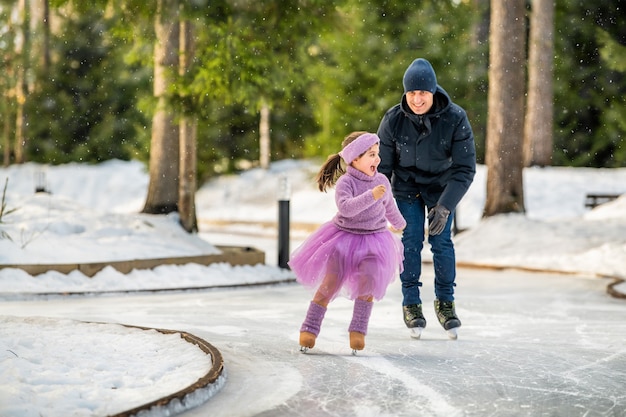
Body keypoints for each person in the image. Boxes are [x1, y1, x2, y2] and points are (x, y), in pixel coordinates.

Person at [377, 58, 476, 339]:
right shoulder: (393, 120)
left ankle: (445, 303)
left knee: (441, 241)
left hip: (441, 188)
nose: (417, 99)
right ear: (405, 93)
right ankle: (411, 303)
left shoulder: (455, 118)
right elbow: (382, 169)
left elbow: (465, 168)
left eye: (423, 93)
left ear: (433, 92)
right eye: (412, 93)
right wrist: (380, 203)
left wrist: (445, 207)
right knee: (410, 241)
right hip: (406, 187)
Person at [289, 131, 406, 354]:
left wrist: (400, 223)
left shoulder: (381, 181)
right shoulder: (346, 182)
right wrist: (371, 195)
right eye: (371, 155)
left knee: (368, 284)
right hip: (344, 239)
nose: (377, 160)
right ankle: (310, 328)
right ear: (355, 159)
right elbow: (346, 208)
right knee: (330, 284)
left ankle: (358, 332)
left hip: (375, 241)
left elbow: (389, 206)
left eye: (377, 154)